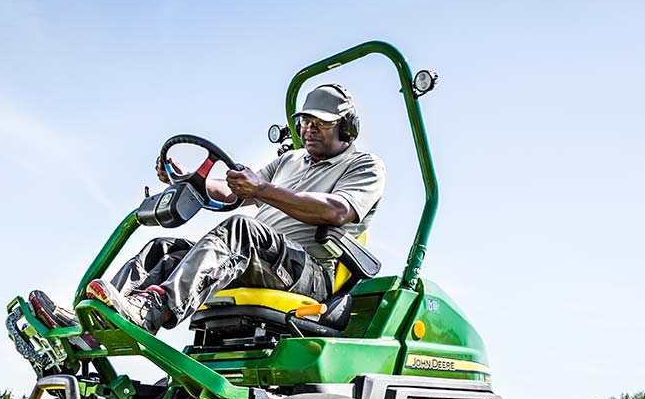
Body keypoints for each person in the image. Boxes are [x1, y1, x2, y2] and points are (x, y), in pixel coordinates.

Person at [31, 83, 384, 337]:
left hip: (310, 274)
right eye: (305, 121)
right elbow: (232, 192)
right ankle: (96, 321)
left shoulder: (364, 165)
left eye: (320, 123)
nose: (308, 129)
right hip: (259, 259)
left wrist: (262, 190)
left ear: (346, 126)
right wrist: (188, 180)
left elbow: (336, 211)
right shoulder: (289, 160)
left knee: (241, 230)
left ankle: (154, 309)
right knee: (166, 249)